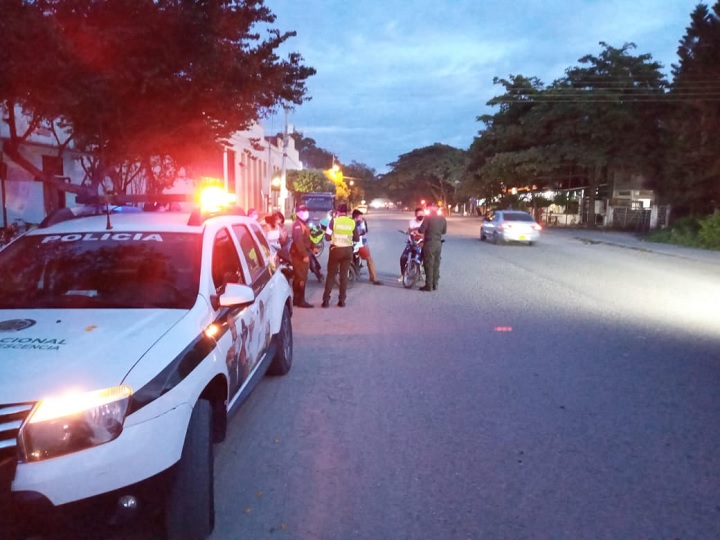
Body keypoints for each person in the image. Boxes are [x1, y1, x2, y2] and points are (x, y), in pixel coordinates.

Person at [321, 203, 356, 307]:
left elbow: (327, 237)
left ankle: (326, 301)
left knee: (331, 275)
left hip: (336, 250)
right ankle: (342, 301)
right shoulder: (352, 222)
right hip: (348, 251)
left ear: (338, 211)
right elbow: (357, 238)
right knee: (344, 276)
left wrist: (334, 238)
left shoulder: (334, 221)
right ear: (347, 212)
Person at [289, 205, 315, 308]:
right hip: (299, 255)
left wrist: (313, 247)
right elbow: (298, 241)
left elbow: (307, 237)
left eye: (306, 210)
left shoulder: (303, 223)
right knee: (301, 277)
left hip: (302, 253)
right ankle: (301, 300)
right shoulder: (297, 225)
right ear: (298, 213)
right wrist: (304, 255)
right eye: (303, 211)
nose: (306, 213)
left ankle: (296, 299)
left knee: (299, 277)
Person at [418, 205, 447, 291]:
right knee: (436, 264)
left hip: (429, 243)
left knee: (428, 264)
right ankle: (435, 284)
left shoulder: (428, 218)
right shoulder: (443, 218)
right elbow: (444, 231)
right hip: (438, 243)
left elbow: (421, 230)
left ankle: (428, 285)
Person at [352, 209, 383, 285]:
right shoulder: (351, 222)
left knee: (369, 259)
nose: (362, 218)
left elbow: (364, 231)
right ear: (356, 217)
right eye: (360, 217)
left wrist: (361, 226)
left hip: (362, 244)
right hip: (353, 244)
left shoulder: (363, 222)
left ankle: (373, 278)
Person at [399, 207, 425, 278]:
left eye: (422, 214)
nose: (421, 215)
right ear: (415, 215)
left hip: (422, 244)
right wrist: (417, 232)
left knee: (424, 258)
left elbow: (426, 232)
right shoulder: (412, 221)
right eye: (419, 214)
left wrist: (417, 232)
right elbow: (410, 230)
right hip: (412, 243)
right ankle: (403, 274)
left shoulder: (426, 222)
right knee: (403, 258)